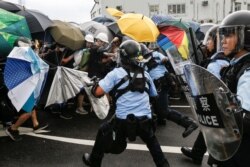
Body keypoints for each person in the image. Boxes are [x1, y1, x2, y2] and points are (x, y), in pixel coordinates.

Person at [82, 40, 170, 167]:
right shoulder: (145, 74)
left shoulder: (115, 74)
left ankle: (94, 161)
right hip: (145, 119)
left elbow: (97, 93)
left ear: (123, 56)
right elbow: (153, 95)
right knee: (152, 142)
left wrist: (96, 84)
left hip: (123, 120)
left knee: (104, 131)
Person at [181, 25, 230, 165]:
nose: (207, 43)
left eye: (210, 40)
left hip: (215, 101)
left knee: (211, 129)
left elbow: (208, 85)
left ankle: (202, 156)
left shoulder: (216, 62)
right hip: (221, 102)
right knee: (207, 127)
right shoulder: (223, 59)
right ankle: (196, 153)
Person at [141, 44, 198, 137]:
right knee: (154, 104)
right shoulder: (142, 62)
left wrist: (161, 61)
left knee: (164, 110)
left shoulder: (156, 54)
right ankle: (159, 121)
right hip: (155, 85)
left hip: (162, 83)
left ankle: (188, 123)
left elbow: (166, 59)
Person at [75, 34, 95, 115]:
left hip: (84, 73)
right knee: (82, 90)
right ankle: (79, 107)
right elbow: (77, 62)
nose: (89, 44)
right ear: (85, 42)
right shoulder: (82, 51)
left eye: (91, 43)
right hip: (81, 72)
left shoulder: (85, 50)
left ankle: (81, 103)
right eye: (88, 42)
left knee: (83, 89)